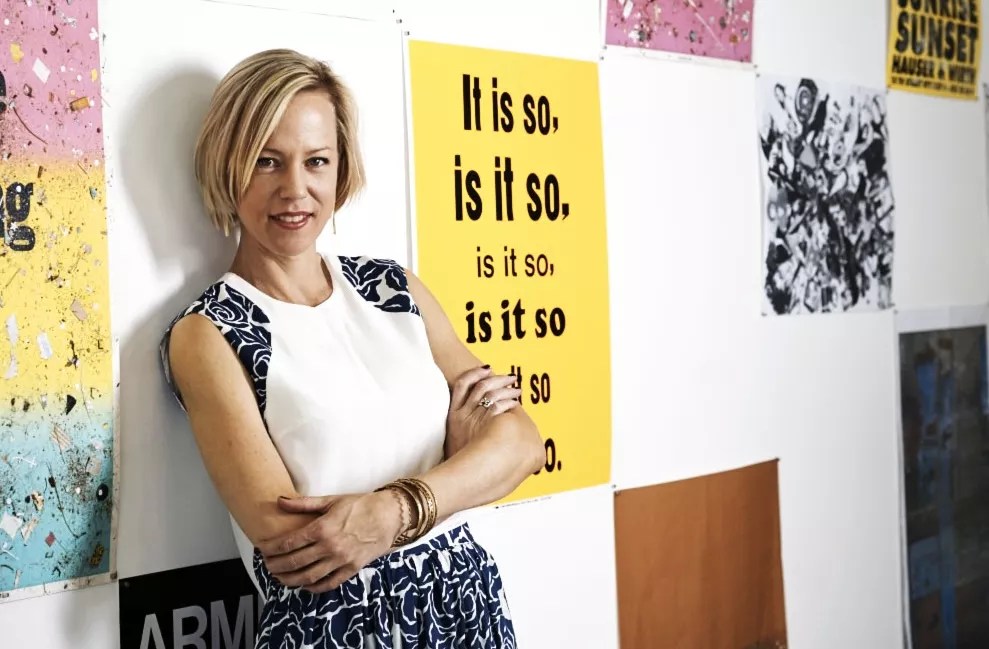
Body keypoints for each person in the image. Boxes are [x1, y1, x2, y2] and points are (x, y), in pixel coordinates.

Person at [159, 48, 544, 648]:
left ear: (341, 169)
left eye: (317, 161)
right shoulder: (210, 332)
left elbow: (521, 444)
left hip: (468, 613)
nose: (296, 189)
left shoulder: (392, 288)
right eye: (267, 161)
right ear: (227, 165)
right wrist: (456, 461)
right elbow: (297, 544)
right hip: (337, 631)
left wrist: (394, 508)